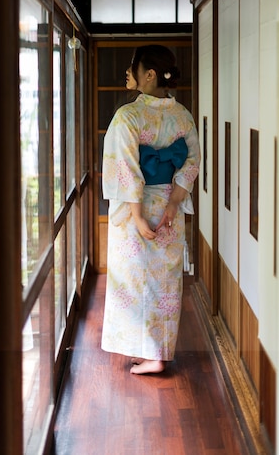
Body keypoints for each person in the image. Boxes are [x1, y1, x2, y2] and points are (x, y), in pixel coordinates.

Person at [101, 44, 201, 375]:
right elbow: (192, 159)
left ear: (150, 75)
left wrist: (138, 213)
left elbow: (125, 166)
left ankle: (148, 353)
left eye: (134, 67)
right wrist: (173, 203)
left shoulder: (129, 116)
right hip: (169, 207)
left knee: (132, 280)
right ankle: (157, 352)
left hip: (137, 210)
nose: (128, 72)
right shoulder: (182, 115)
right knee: (164, 283)